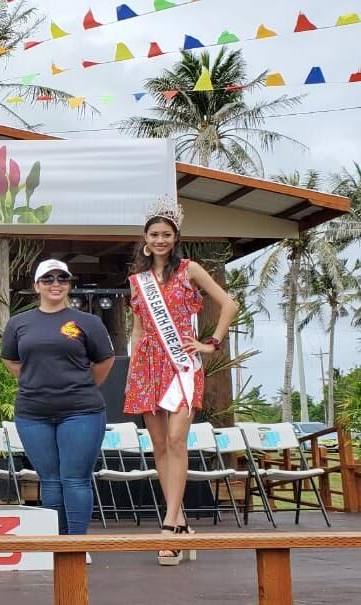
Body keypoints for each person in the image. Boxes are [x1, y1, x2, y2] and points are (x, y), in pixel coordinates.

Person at [123, 200, 237, 565]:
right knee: (158, 444)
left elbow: (229, 304)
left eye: (166, 235)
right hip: (148, 365)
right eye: (154, 234)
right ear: (145, 238)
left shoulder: (190, 270)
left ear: (175, 238)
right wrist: (132, 371)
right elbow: (139, 328)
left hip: (182, 364)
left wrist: (211, 343)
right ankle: (182, 522)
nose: (160, 240)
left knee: (176, 439)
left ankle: (170, 525)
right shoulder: (138, 282)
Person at [1, 259, 115, 541]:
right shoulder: (19, 323)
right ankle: (58, 543)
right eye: (48, 279)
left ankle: (76, 544)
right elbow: (11, 360)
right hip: (33, 413)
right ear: (36, 286)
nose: (55, 284)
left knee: (75, 479)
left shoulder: (88, 322)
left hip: (81, 411)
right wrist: (36, 382)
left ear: (69, 284)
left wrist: (81, 385)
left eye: (62, 279)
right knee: (50, 481)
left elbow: (104, 361)